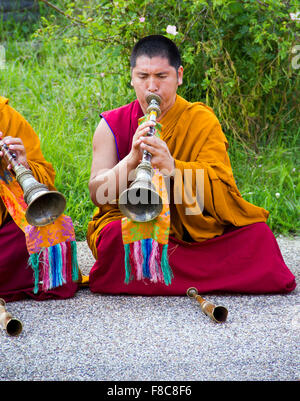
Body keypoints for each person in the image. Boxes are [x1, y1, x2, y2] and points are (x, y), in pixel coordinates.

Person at [87, 35, 296, 295]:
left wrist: (174, 168)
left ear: (179, 76)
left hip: (192, 229)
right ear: (132, 77)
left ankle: (152, 275)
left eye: (162, 76)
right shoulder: (111, 124)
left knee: (259, 237)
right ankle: (206, 276)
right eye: (143, 77)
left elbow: (221, 190)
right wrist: (131, 160)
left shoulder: (201, 120)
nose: (152, 88)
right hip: (139, 223)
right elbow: (97, 193)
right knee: (116, 239)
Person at [0, 96, 79, 302]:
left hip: (4, 229)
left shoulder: (4, 115)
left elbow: (45, 177)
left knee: (52, 232)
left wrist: (24, 166)